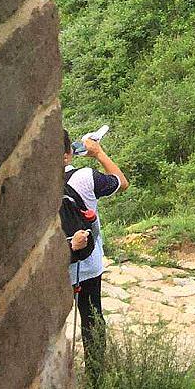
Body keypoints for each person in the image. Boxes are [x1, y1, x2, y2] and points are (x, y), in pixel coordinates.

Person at [62, 129, 129, 370]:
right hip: (87, 264)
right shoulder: (85, 178)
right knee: (91, 318)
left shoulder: (30, 183)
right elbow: (122, 183)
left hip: (53, 265)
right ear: (68, 155)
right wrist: (98, 152)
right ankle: (97, 375)